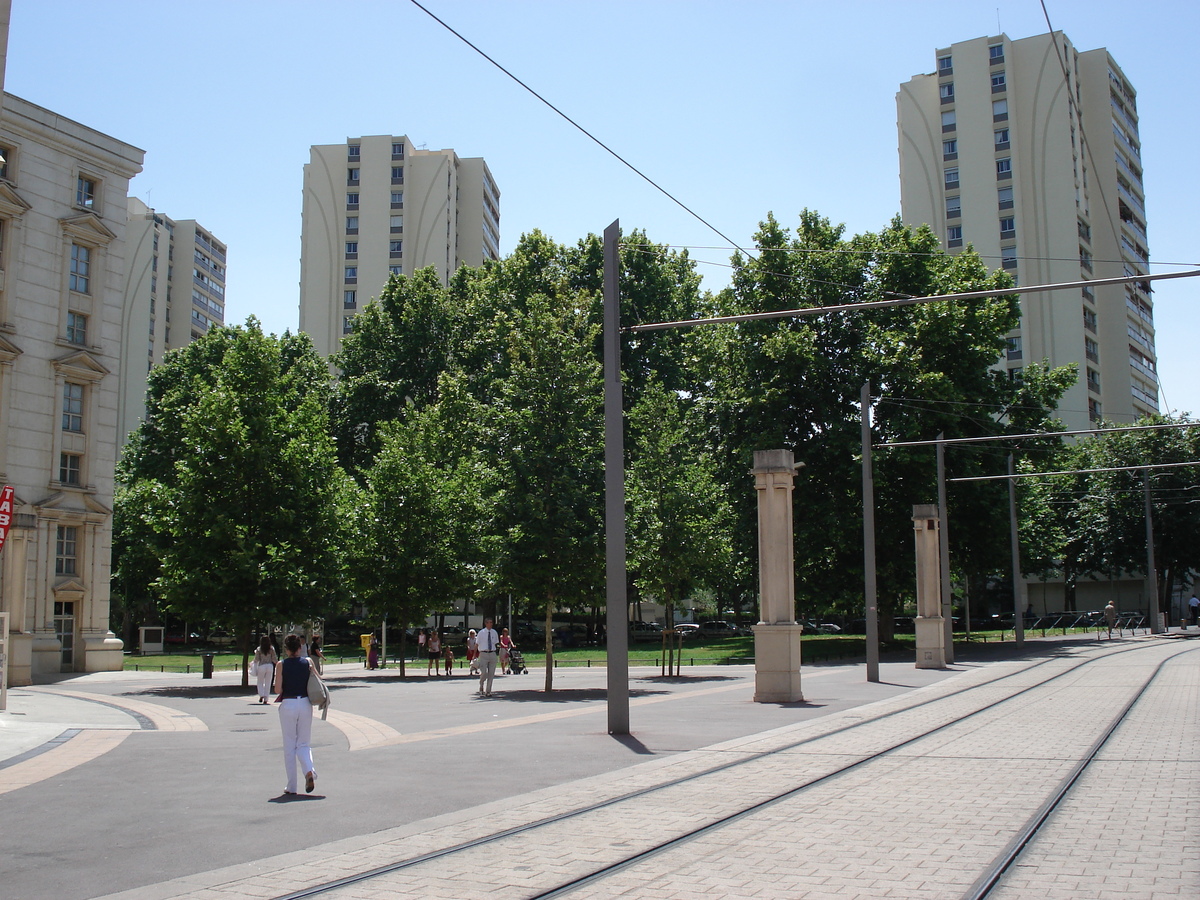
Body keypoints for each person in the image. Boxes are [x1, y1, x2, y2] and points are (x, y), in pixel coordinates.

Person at [273, 633, 317, 795]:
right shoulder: (308, 662)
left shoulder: (281, 664)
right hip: (305, 703)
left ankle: (292, 785)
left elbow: (278, 690)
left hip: (289, 703)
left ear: (286, 649)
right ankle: (309, 770)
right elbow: (317, 682)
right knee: (304, 743)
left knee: (289, 745)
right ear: (300, 647)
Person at [477, 617, 500, 695]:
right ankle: (481, 685)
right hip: (483, 653)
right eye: (489, 622)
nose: (490, 624)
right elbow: (477, 644)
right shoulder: (481, 633)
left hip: (492, 653)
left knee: (491, 673)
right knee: (484, 672)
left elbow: (496, 643)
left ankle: (488, 690)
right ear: (485, 623)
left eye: (491, 622)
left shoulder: (494, 632)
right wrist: (474, 655)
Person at [252, 635, 277, 704]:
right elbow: (274, 659)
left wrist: (252, 663)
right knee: (268, 683)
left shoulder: (259, 649)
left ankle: (261, 694)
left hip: (262, 666)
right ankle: (266, 698)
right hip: (270, 666)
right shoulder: (271, 648)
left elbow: (256, 659)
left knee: (260, 682)